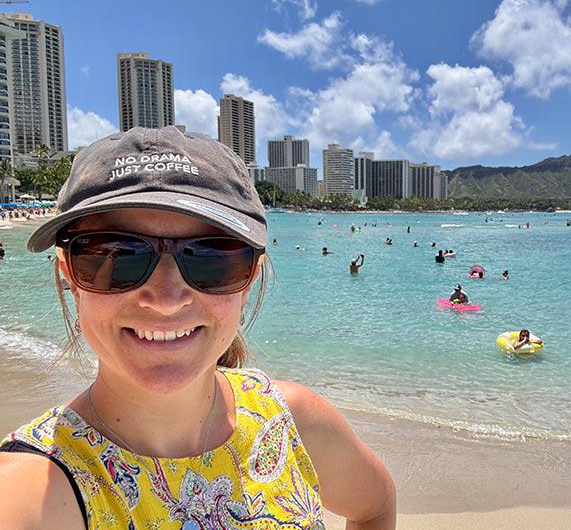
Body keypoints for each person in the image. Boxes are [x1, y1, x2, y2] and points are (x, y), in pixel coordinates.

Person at [0, 127, 395, 528]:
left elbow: (375, 507)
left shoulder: (293, 422)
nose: (167, 299)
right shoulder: (34, 489)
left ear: (249, 279)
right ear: (70, 274)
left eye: (211, 259)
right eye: (118, 255)